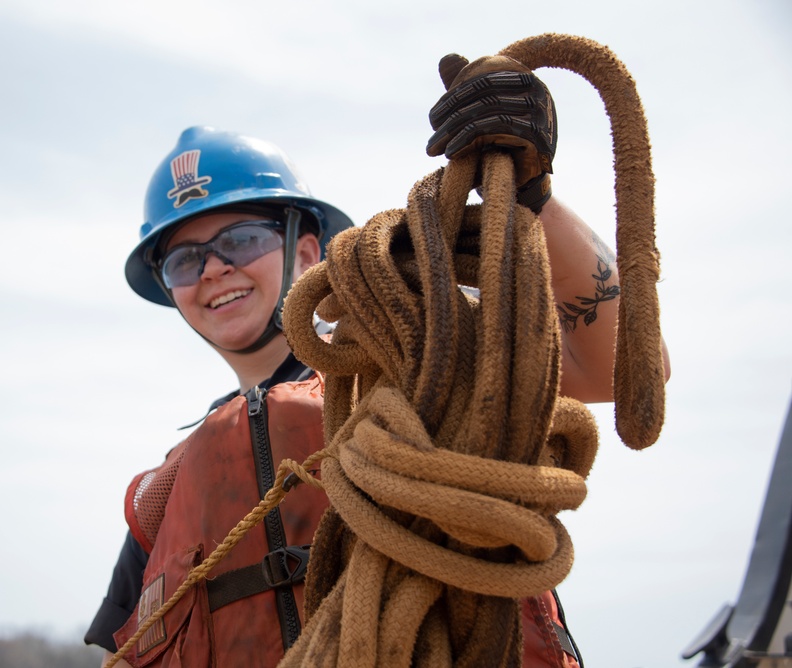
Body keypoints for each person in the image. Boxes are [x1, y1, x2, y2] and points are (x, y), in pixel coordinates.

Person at [85, 63, 670, 668]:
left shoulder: (422, 357)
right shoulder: (169, 493)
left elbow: (628, 377)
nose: (212, 270)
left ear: (305, 250)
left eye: (239, 240)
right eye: (184, 261)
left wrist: (533, 198)